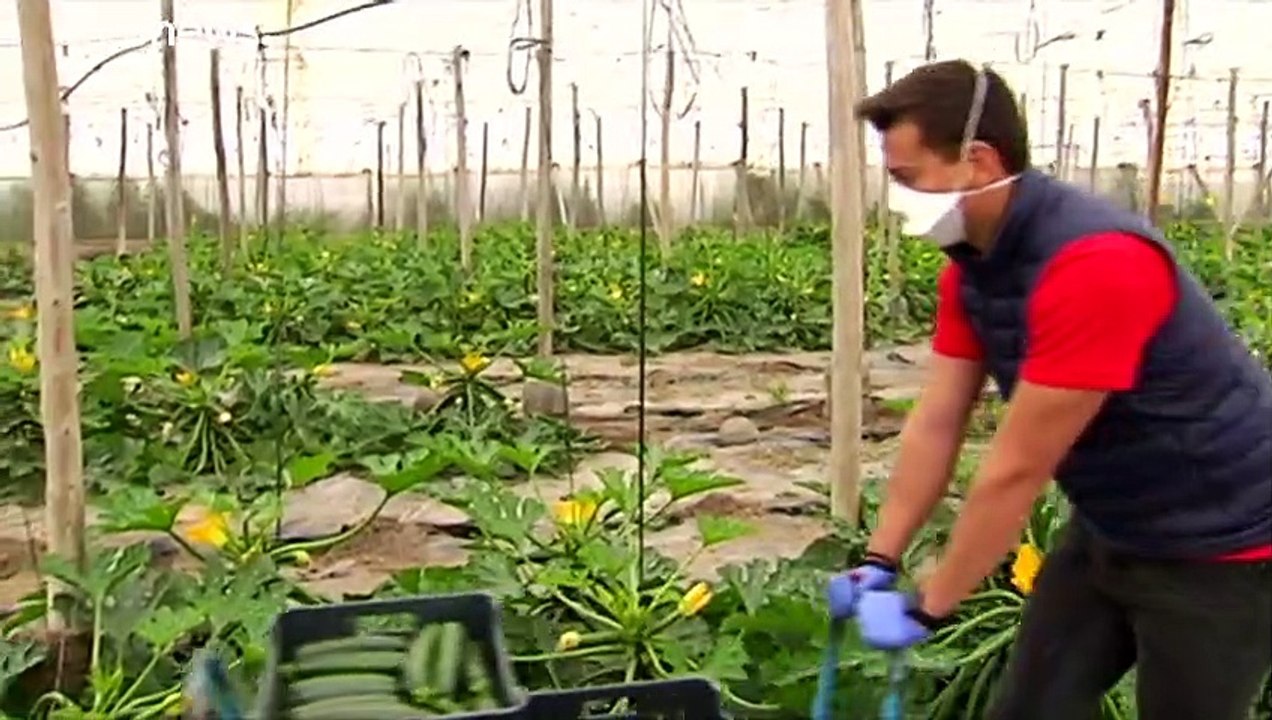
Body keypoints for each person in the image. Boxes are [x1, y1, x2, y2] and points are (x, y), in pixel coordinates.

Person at [826, 59, 1272, 720]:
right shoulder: (973, 270)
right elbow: (939, 419)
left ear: (977, 161)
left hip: (1224, 542)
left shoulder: (1096, 265)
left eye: (905, 179)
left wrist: (932, 604)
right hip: (1111, 526)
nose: (897, 199)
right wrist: (882, 556)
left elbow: (1016, 469)